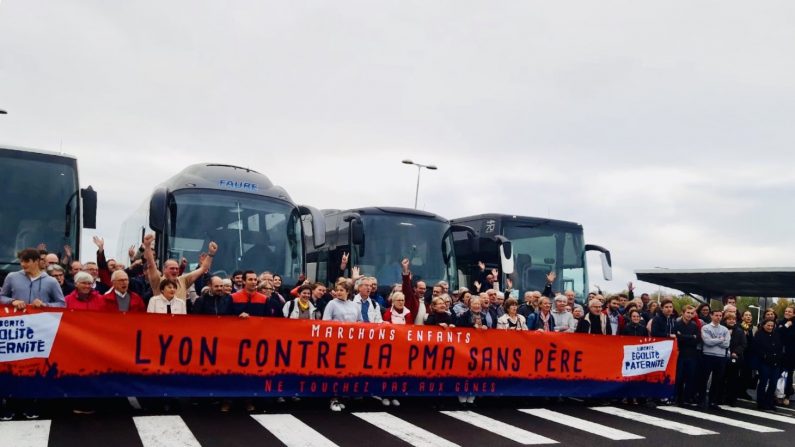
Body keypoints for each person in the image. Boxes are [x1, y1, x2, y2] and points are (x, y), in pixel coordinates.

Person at [322, 281, 361, 411]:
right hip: (335, 343)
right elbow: (325, 322)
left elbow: (360, 322)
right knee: (335, 371)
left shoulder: (355, 305)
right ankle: (333, 398)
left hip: (351, 343)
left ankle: (343, 397)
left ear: (348, 292)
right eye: (337, 290)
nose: (338, 292)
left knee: (346, 371)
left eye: (341, 290)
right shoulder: (332, 304)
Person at [142, 233, 218, 299]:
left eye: (177, 269)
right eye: (172, 268)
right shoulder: (157, 281)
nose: (175, 271)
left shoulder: (183, 281)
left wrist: (211, 254)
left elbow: (203, 268)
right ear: (164, 270)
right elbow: (151, 265)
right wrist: (147, 246)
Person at [701, 309, 730, 409]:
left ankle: (713, 401)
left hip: (721, 357)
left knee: (717, 380)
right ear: (711, 316)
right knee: (704, 378)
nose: (718, 317)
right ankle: (702, 400)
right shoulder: (705, 328)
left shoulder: (725, 330)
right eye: (716, 315)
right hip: (708, 355)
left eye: (720, 315)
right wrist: (720, 340)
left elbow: (727, 344)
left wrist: (715, 341)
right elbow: (707, 342)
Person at [673, 305, 700, 406]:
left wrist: (683, 337)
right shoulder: (677, 324)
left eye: (692, 313)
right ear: (683, 313)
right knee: (679, 377)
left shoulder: (694, 325)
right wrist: (690, 337)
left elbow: (697, 340)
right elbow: (677, 339)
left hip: (692, 355)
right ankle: (677, 397)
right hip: (680, 354)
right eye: (688, 313)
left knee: (690, 377)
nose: (689, 315)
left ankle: (686, 398)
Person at [755, 319, 783, 410]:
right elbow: (757, 349)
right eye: (768, 325)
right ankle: (761, 402)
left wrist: (779, 357)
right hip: (764, 362)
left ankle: (769, 402)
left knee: (773, 383)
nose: (770, 327)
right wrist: (765, 356)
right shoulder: (759, 335)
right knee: (763, 382)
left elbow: (779, 347)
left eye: (772, 326)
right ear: (763, 325)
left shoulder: (776, 334)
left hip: (776, 363)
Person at [722, 312, 747, 406]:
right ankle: (720, 397)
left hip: (734, 358)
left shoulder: (740, 331)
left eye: (733, 319)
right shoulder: (722, 329)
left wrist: (736, 352)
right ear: (725, 320)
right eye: (729, 319)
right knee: (722, 378)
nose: (732, 321)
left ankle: (731, 399)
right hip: (722, 356)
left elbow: (743, 344)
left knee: (733, 379)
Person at [400, 258, 427, 325]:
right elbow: (406, 287)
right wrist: (405, 270)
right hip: (411, 331)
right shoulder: (411, 298)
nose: (422, 291)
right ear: (415, 289)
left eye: (424, 289)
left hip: (423, 332)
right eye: (420, 288)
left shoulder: (427, 302)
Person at [777, 306, 795, 405]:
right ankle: (778, 394)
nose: (787, 313)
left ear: (794, 314)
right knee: (778, 374)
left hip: (791, 354)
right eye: (786, 311)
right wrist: (786, 325)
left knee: (788, 375)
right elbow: (778, 333)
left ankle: (787, 395)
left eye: (790, 311)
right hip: (780, 353)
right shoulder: (781, 322)